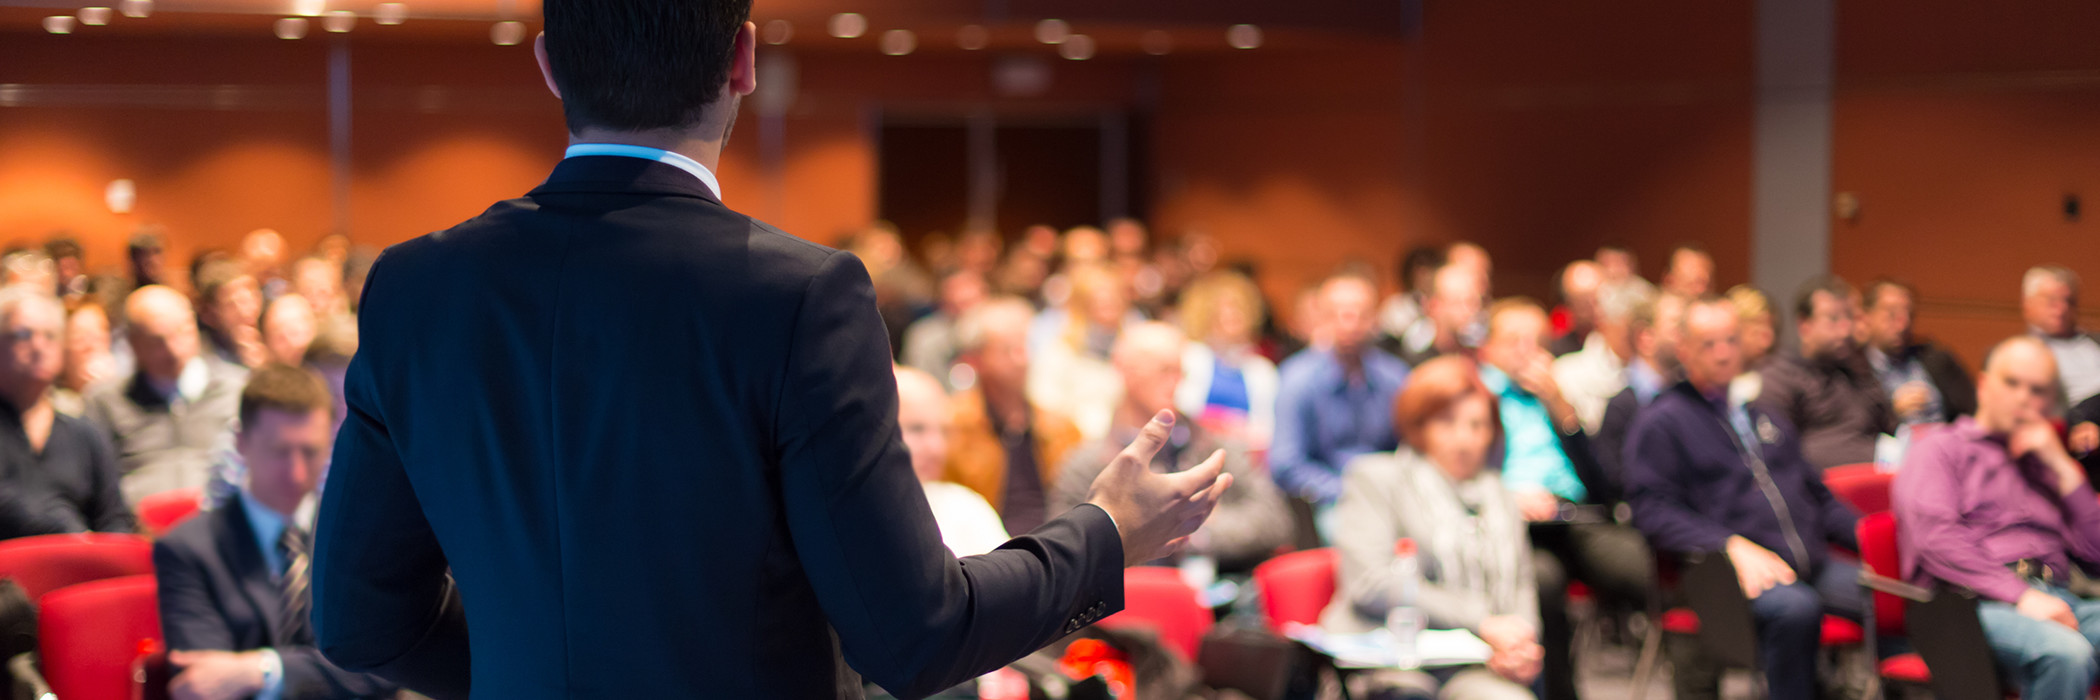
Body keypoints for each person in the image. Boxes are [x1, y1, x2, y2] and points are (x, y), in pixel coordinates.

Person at [311, 5, 1232, 698]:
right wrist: (1104, 532)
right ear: (744, 58)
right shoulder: (797, 296)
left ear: (549, 66)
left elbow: (358, 622)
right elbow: (912, 635)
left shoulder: (416, 287)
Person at [1625, 296, 1863, 700]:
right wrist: (1728, 546)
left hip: (1809, 561)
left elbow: (1816, 493)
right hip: (1724, 573)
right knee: (1796, 611)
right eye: (1709, 344)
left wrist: (1874, 540)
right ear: (1684, 350)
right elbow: (1652, 510)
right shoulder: (1662, 421)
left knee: (1896, 596)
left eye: (1731, 341)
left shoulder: (1762, 414)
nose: (1723, 353)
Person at [154, 364, 397, 700]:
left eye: (310, 452)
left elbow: (386, 668)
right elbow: (203, 686)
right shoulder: (186, 549)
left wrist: (264, 670)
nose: (296, 473)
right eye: (280, 452)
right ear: (240, 442)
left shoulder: (361, 534)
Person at [1320, 355, 1542, 700]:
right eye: (1447, 422)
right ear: (1419, 426)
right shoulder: (1377, 478)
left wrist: (1522, 643)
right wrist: (1482, 621)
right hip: (1392, 658)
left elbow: (1521, 583)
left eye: (1477, 425)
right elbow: (1372, 584)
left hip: (1474, 661)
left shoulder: (1498, 494)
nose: (1464, 439)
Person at [1894, 336, 2100, 700]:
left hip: (2057, 595)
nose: (2024, 398)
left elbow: (2096, 554)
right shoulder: (1940, 448)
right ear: (1985, 385)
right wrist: (2021, 595)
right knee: (2068, 653)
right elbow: (1936, 538)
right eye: (2012, 383)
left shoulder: (2041, 461)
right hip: (1968, 606)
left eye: (2037, 390)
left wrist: (2064, 470)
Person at [1474, 298, 1650, 700]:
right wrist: (1508, 497)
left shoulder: (1553, 394)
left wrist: (1561, 407)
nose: (1527, 351)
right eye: (1514, 341)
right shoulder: (1476, 395)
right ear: (1487, 348)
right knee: (1544, 581)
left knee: (1641, 566)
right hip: (1511, 525)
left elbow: (1601, 481)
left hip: (1574, 517)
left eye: (1536, 341)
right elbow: (1463, 474)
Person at [1054, 323, 1292, 573]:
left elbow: (1275, 521)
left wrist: (1193, 530)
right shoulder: (1088, 463)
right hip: (1134, 600)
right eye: (1164, 371)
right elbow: (1069, 549)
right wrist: (1158, 529)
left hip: (1224, 593)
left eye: (1181, 372)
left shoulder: (1213, 445)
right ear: (1124, 370)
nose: (1176, 382)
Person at [84, 285, 248, 505]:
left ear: (193, 326)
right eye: (157, 341)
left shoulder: (237, 388)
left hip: (220, 524)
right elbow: (97, 486)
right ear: (133, 343)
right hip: (140, 527)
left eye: (180, 333)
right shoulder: (105, 402)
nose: (173, 349)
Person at [944, 297, 1086, 537]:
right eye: (1008, 350)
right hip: (987, 554)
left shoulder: (1062, 426)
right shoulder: (951, 426)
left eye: (1025, 346)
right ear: (975, 360)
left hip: (1055, 547)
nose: (1023, 359)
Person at [0, 288, 131, 540]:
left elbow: (114, 519)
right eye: (23, 335)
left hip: (81, 569)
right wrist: (71, 534)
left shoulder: (84, 434)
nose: (38, 346)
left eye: (50, 336)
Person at [1272, 273, 1409, 514]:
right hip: (1329, 500)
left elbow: (1411, 448)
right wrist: (1346, 492)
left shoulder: (1395, 377)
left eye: (1361, 314)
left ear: (1375, 319)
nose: (1350, 323)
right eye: (1339, 314)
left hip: (1389, 494)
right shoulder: (1297, 378)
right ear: (1322, 319)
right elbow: (1286, 464)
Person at [1757, 276, 1896, 469]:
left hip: (1877, 481)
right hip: (1820, 490)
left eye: (1849, 317)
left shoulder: (1858, 372)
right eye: (1833, 319)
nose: (1846, 330)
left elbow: (1891, 429)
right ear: (1804, 325)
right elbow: (1777, 455)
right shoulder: (1779, 377)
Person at [895, 366, 1007, 558]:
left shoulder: (965, 506)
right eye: (916, 429)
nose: (937, 448)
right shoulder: (849, 515)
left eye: (944, 431)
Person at [1028, 263, 1138, 441]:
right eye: (1099, 303)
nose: (1109, 309)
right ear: (1081, 306)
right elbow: (1046, 408)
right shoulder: (1059, 352)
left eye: (1114, 301)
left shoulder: (1134, 347)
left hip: (1127, 441)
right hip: (1076, 445)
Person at [1174, 270, 1280, 449]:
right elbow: (1182, 411)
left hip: (1244, 457)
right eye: (1222, 310)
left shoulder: (1262, 370)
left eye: (1237, 309)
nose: (1230, 316)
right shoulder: (1189, 357)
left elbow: (1268, 430)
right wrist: (1223, 424)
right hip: (1192, 451)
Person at [1592, 292, 1684, 499]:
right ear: (1646, 338)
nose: (1687, 336)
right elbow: (1617, 481)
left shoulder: (1693, 398)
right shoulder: (1622, 406)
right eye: (1678, 327)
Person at [1860, 278, 1975, 426]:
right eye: (1892, 314)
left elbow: (1973, 412)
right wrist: (1891, 412)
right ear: (1866, 316)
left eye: (1909, 314)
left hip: (1943, 442)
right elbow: (1848, 430)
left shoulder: (1936, 359)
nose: (1903, 324)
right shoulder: (1852, 370)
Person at [1551, 282, 1655, 435]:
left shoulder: (1659, 374)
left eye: (1647, 329)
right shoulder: (1565, 372)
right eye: (1631, 327)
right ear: (1604, 322)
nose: (1641, 336)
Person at [2024, 266, 2100, 408]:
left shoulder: (2094, 342)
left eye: (2069, 301)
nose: (2062, 308)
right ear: (2028, 305)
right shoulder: (2020, 353)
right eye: (2052, 301)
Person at [901, 271, 989, 389]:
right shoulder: (925, 337)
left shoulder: (1003, 330)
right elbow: (919, 384)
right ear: (943, 304)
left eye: (970, 303)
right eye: (956, 306)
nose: (965, 314)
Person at [1395, 264, 1485, 367]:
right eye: (1459, 302)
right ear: (1434, 306)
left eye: (1474, 302)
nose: (1471, 311)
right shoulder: (1413, 362)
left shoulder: (1479, 358)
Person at [194, 258, 266, 369]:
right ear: (210, 314)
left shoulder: (272, 337)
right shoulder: (203, 358)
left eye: (252, 298)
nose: (246, 311)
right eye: (231, 305)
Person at [1378, 245, 1445, 357]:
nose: (1424, 274)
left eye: (1429, 267)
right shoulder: (1396, 306)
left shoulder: (1446, 304)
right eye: (1418, 268)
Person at [56, 303, 115, 417]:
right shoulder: (53, 404)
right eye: (80, 337)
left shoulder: (125, 393)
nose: (91, 345)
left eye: (99, 335)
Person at [1725, 285, 1777, 406]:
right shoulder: (1709, 382)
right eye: (1756, 332)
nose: (1768, 342)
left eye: (1770, 328)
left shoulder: (1777, 379)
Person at [1549, 260, 1604, 358]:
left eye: (1598, 299)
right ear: (1568, 304)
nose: (1594, 308)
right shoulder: (1558, 352)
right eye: (1584, 302)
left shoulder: (1626, 344)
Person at [259, 294, 319, 369]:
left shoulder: (329, 370)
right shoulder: (261, 376)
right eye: (280, 338)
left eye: (295, 333)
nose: (292, 343)